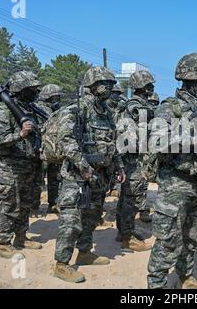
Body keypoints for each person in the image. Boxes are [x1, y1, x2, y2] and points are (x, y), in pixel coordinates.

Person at [147, 52, 197, 289]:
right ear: (193, 75)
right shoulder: (171, 107)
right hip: (176, 183)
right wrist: (193, 141)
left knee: (191, 238)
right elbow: (155, 140)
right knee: (168, 240)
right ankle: (156, 285)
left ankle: (185, 277)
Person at [53, 66, 125, 283]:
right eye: (105, 84)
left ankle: (84, 252)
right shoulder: (76, 110)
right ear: (92, 86)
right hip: (77, 177)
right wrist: (84, 168)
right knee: (71, 220)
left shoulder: (108, 113)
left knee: (92, 216)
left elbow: (113, 143)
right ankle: (62, 264)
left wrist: (119, 166)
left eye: (111, 84)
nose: (109, 88)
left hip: (99, 176)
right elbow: (66, 141)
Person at [0, 71, 44, 258]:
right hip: (10, 167)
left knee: (25, 203)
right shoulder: (4, 111)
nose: (34, 93)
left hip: (30, 164)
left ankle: (21, 236)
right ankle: (3, 242)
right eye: (30, 89)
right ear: (19, 89)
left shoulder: (31, 109)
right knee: (8, 203)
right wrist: (20, 135)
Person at [116, 70, 155, 251]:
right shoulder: (136, 107)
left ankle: (123, 232)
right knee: (131, 198)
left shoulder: (135, 105)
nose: (152, 88)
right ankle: (127, 237)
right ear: (143, 86)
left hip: (133, 157)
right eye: (149, 85)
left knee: (126, 197)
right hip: (134, 159)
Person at [34, 84, 65, 215]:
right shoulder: (38, 108)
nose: (57, 99)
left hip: (54, 149)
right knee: (37, 179)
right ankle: (33, 206)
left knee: (55, 178)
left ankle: (53, 204)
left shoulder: (57, 110)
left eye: (58, 97)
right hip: (41, 148)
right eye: (54, 97)